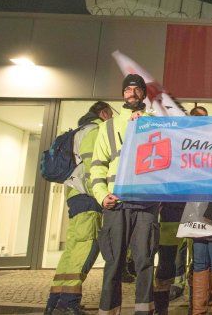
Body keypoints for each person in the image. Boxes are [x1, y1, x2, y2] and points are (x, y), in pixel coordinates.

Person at [92, 74, 160, 315]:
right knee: (113, 265)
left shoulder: (156, 123)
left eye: (137, 89)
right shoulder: (107, 126)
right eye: (128, 89)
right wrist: (101, 195)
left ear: (144, 94)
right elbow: (97, 165)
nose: (132, 92)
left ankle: (144, 311)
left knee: (144, 263)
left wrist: (144, 126)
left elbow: (164, 164)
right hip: (115, 203)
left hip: (145, 204)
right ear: (122, 94)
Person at [44, 101, 114, 315]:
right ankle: (69, 302)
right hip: (88, 196)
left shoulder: (79, 131)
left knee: (72, 248)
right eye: (111, 115)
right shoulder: (95, 130)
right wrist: (101, 194)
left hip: (75, 196)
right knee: (86, 246)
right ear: (103, 113)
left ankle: (55, 300)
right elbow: (94, 165)